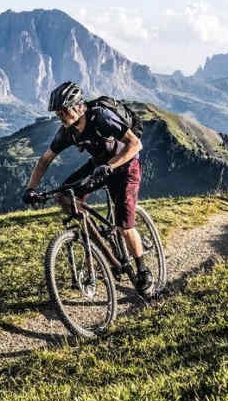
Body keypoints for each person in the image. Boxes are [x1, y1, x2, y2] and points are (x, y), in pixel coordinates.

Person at [21, 81, 151, 294]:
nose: (60, 116)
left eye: (63, 110)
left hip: (126, 165)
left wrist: (111, 165)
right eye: (57, 112)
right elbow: (44, 160)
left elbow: (135, 144)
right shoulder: (68, 132)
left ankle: (143, 271)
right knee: (64, 196)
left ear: (79, 106)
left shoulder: (101, 117)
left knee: (125, 226)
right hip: (101, 165)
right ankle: (92, 234)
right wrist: (31, 189)